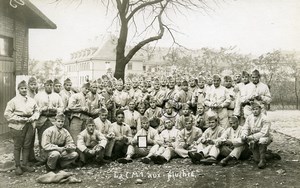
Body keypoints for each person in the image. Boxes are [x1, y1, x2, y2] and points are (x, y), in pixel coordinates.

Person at [4, 80, 39, 175]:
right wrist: (19, 119)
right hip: (17, 125)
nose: (24, 90)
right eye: (22, 88)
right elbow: (7, 114)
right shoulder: (13, 101)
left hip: (29, 124)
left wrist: (33, 117)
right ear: (18, 89)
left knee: (27, 145)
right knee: (17, 145)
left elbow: (37, 110)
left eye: (25, 88)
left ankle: (24, 164)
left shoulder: (32, 100)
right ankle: (17, 166)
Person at [34, 79, 64, 160]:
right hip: (42, 119)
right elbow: (34, 108)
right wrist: (41, 109)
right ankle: (43, 157)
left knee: (53, 138)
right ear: (44, 86)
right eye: (47, 85)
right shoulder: (38, 96)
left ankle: (52, 157)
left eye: (51, 85)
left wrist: (55, 109)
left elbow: (62, 107)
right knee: (42, 138)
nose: (49, 87)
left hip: (53, 119)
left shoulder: (57, 96)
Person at [241, 101, 272, 169]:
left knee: (262, 140)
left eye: (256, 109)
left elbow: (264, 133)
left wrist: (251, 137)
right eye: (253, 109)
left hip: (265, 137)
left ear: (260, 109)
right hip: (253, 138)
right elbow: (245, 128)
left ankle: (263, 160)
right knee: (256, 159)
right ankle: (270, 155)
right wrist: (244, 135)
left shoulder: (265, 118)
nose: (255, 111)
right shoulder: (249, 117)